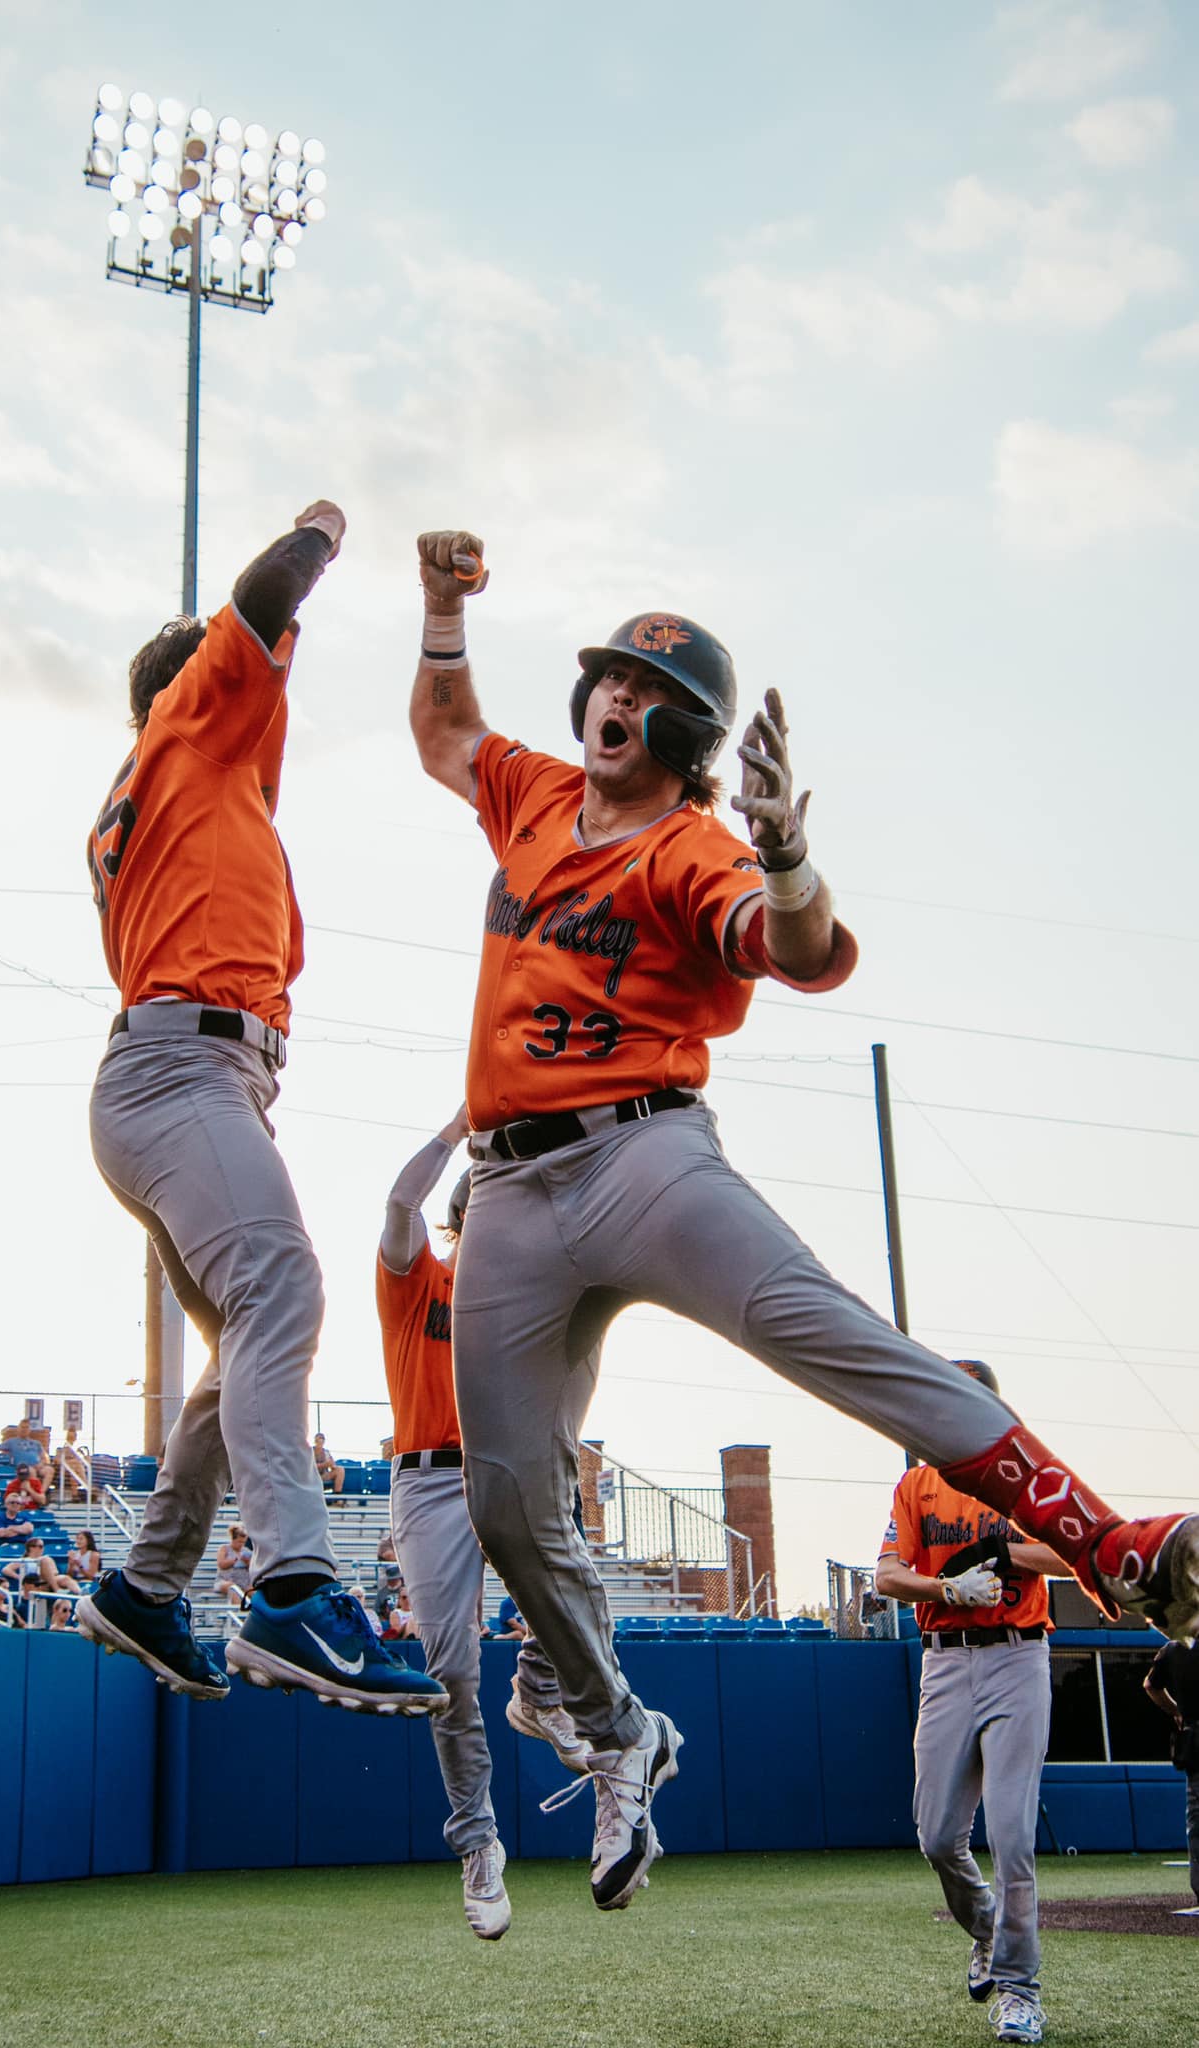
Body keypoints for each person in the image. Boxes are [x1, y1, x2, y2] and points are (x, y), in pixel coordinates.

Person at [406, 527, 1199, 1914]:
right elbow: (443, 730)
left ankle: (1108, 1544)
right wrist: (440, 605)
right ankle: (619, 1730)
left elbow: (802, 952)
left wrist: (781, 855)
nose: (608, 696)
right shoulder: (530, 794)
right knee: (502, 1502)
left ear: (684, 731)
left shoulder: (690, 846)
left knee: (846, 1345)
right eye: (602, 673)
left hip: (640, 1155)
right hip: (510, 1194)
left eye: (639, 687)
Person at [77, 495, 443, 1716]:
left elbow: (262, 660)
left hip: (182, 1077)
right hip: (183, 1070)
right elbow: (261, 603)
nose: (262, 688)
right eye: (242, 679)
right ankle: (292, 1590)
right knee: (283, 1284)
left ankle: (146, 1586)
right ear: (194, 690)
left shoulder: (190, 780)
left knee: (244, 1342)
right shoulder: (188, 731)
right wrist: (322, 530)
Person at [378, 1113, 591, 1940]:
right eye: (488, 1221)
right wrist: (459, 1128)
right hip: (429, 1482)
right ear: (461, 1221)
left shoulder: (525, 1302)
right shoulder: (418, 1278)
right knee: (449, 1670)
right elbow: (399, 1201)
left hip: (504, 1470)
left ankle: (539, 1693)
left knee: (575, 1580)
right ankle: (477, 1844)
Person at [875, 1361, 1069, 2047]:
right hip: (947, 1661)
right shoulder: (917, 1482)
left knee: (1012, 1838)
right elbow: (888, 1575)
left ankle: (1020, 1992)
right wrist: (946, 1590)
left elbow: (1074, 1554)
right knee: (935, 1834)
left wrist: (1006, 1553)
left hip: (1018, 1654)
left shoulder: (1026, 1475)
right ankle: (987, 1931)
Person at [1143, 1635, 1199, 1914]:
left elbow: (1151, 1686)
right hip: (1194, 1739)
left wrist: (1176, 1710)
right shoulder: (1174, 1650)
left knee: (1197, 1819)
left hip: (1194, 1737)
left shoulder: (1173, 1649)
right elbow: (1151, 1685)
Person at [214, 1525, 254, 1607]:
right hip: (225, 1581)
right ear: (233, 1539)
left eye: (243, 1542)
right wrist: (235, 1561)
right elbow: (221, 1564)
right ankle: (239, 1612)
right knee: (233, 1589)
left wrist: (247, 1563)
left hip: (244, 1582)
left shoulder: (246, 1551)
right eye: (239, 1542)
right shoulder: (224, 1549)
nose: (241, 1545)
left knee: (256, 1592)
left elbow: (253, 1568)